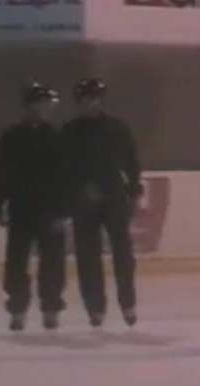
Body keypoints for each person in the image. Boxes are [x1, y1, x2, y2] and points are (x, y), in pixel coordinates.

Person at [62, 78, 142, 328]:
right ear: (79, 102)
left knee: (123, 254)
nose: (93, 103)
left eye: (96, 98)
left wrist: (134, 192)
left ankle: (127, 303)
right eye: (87, 98)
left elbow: (131, 163)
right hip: (81, 200)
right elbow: (61, 168)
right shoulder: (69, 131)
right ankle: (95, 308)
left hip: (114, 197)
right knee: (88, 257)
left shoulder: (118, 128)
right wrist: (71, 195)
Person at [0, 83, 67, 331]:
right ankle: (17, 308)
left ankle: (51, 307)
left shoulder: (56, 136)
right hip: (21, 208)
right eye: (41, 103)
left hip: (50, 209)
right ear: (29, 106)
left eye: (48, 104)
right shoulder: (12, 136)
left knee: (53, 262)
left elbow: (67, 176)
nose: (45, 109)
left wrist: (63, 209)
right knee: (16, 261)